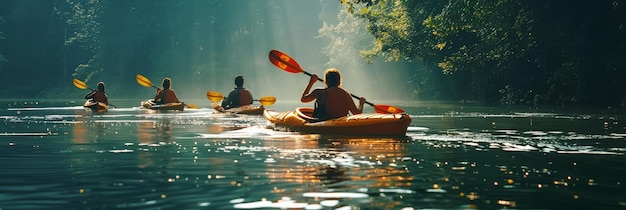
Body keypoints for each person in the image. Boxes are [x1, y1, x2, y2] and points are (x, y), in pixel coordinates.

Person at [301, 68, 365, 120]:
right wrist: (361, 104)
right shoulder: (345, 94)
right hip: (341, 123)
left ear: (326, 81)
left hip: (323, 122)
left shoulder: (319, 92)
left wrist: (311, 82)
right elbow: (357, 113)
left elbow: (303, 99)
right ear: (339, 81)